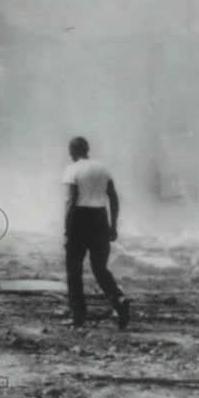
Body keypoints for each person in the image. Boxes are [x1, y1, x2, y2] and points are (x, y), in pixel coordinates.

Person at [62, 136, 130, 329]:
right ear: (87, 149)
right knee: (100, 268)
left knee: (73, 270)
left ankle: (79, 316)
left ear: (73, 152)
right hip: (100, 219)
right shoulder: (103, 168)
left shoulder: (72, 169)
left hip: (80, 219)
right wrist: (113, 225)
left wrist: (68, 228)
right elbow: (114, 198)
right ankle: (118, 299)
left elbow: (70, 201)